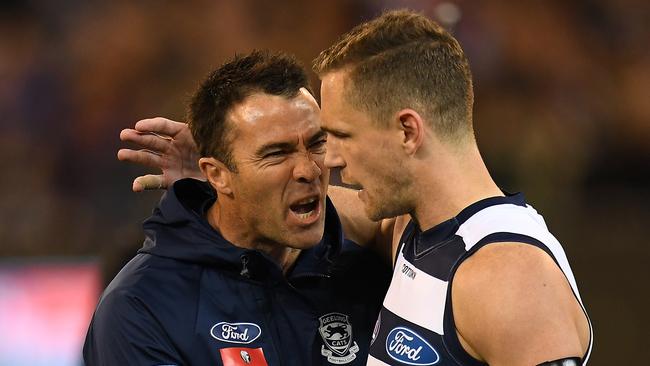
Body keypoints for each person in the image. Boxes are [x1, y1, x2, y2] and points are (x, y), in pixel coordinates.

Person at [123, 10, 593, 366]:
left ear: (407, 131)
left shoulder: (510, 280)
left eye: (339, 137)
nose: (330, 161)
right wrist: (232, 169)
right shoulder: (412, 231)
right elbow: (301, 208)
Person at [84, 50, 392, 366]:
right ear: (216, 174)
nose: (310, 170)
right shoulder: (142, 308)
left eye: (316, 143)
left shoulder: (370, 264)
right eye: (276, 153)